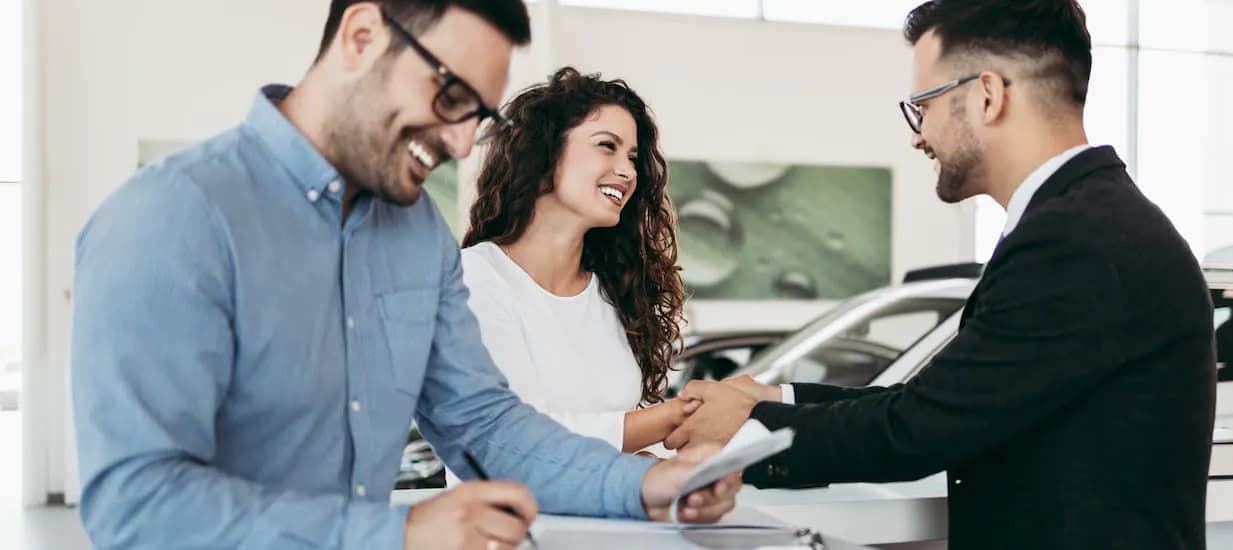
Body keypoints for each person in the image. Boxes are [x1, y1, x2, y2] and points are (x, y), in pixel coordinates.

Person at [69, 2, 739, 549]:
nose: (456, 141)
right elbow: (138, 503)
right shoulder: (171, 216)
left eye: (476, 115)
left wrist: (640, 487)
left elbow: (483, 427)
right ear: (361, 36)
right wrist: (398, 533)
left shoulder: (416, 233)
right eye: (449, 94)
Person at [665, 1, 1217, 549]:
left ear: (987, 95)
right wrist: (775, 395)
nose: (917, 134)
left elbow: (919, 430)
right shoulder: (1085, 219)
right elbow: (951, 399)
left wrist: (751, 426)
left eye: (922, 106)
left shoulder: (1077, 238)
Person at [459, 67, 692, 456]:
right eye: (607, 145)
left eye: (633, 157)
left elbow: (621, 433)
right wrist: (675, 417)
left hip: (611, 515)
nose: (628, 171)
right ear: (543, 154)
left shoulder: (613, 290)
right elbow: (517, 440)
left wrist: (671, 461)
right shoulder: (474, 277)